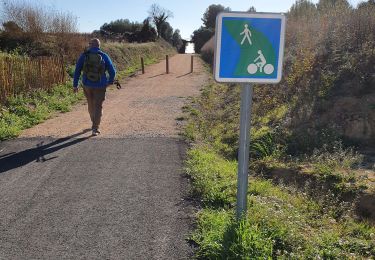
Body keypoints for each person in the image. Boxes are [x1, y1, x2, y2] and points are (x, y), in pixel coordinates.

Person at [73, 38, 116, 136]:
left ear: (90, 45)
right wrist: (110, 81)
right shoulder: (104, 56)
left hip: (87, 85)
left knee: (90, 104)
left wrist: (75, 85)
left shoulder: (84, 55)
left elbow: (77, 71)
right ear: (99, 46)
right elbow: (112, 71)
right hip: (100, 85)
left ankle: (94, 121)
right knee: (98, 106)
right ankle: (95, 127)